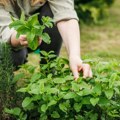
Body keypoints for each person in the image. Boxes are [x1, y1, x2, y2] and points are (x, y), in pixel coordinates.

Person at [0, 0, 92, 79]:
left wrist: (74, 56)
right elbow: (4, 30)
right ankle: (5, 82)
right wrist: (19, 37)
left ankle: (48, 70)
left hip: (35, 35)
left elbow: (65, 14)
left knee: (51, 12)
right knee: (15, 58)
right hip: (8, 36)